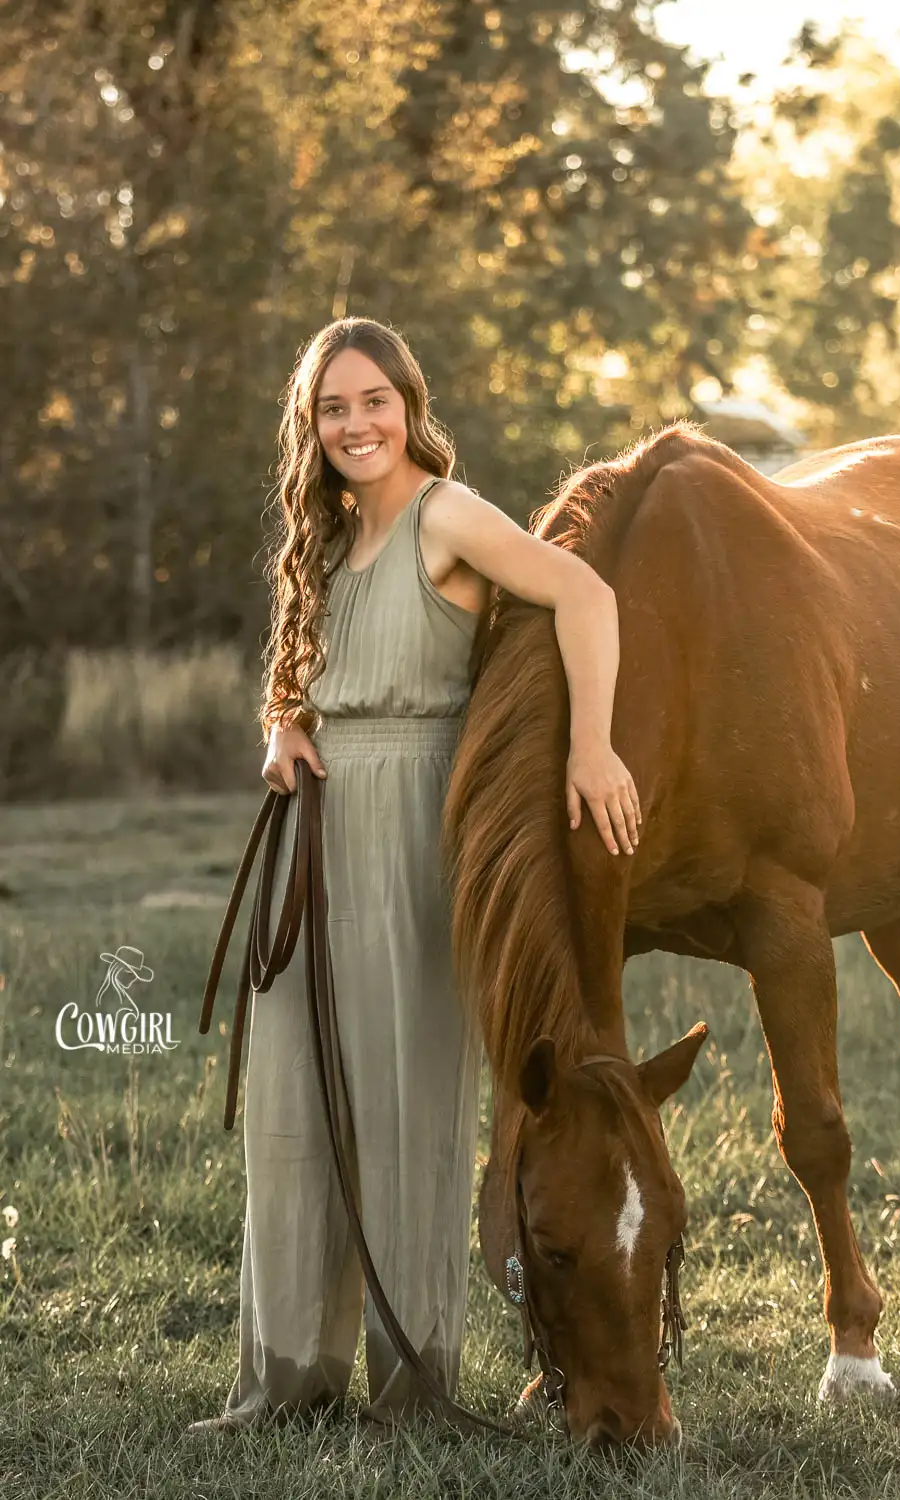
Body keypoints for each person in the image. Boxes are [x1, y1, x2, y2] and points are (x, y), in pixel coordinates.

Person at [187, 316, 641, 1435]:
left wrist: (592, 746)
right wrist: (281, 727)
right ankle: (288, 1378)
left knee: (403, 1101)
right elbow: (301, 678)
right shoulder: (325, 540)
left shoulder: (448, 514)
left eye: (373, 402)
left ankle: (411, 1382)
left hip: (412, 824)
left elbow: (587, 596)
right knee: (296, 1102)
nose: (355, 425)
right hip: (318, 826)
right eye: (332, 409)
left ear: (409, 404)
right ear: (313, 427)